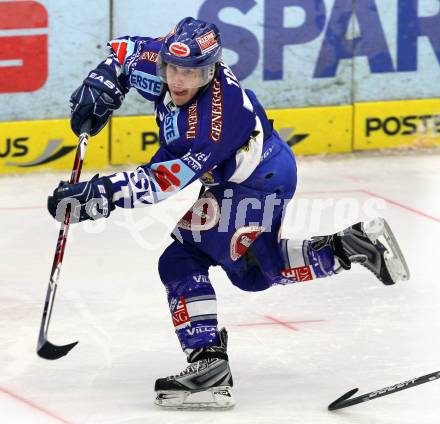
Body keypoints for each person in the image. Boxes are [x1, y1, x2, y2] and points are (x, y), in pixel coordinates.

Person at [47, 17, 410, 409]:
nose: (180, 81)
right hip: (252, 174)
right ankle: (352, 246)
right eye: (174, 69)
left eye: (195, 72)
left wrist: (99, 194)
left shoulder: (213, 122)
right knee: (256, 272)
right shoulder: (162, 60)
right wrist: (102, 84)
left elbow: (162, 181)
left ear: (213, 69)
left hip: (255, 183)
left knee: (183, 259)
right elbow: (122, 53)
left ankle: (208, 366)